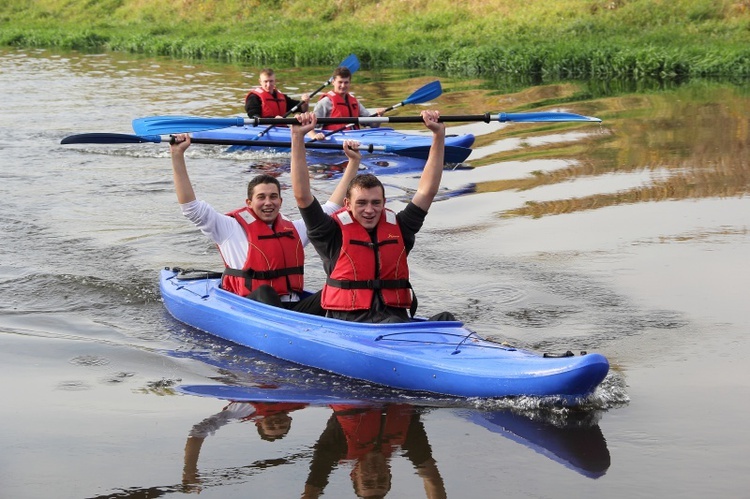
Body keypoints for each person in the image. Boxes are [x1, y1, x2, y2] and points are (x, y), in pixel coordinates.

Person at [291, 111, 457, 323]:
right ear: (347, 204)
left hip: (394, 321)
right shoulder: (330, 233)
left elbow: (426, 191)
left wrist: (438, 136)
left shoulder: (399, 228)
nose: (369, 210)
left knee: (447, 319)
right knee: (394, 325)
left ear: (384, 203)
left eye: (375, 203)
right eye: (361, 203)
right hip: (353, 323)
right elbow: (303, 196)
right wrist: (297, 138)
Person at [169, 134, 361, 315]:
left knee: (336, 289)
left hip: (292, 311)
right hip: (250, 309)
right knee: (265, 292)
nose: (268, 202)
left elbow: (330, 208)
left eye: (273, 197)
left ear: (280, 201)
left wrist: (353, 162)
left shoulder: (294, 230)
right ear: (249, 203)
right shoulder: (229, 228)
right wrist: (177, 155)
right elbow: (191, 209)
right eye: (261, 197)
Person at [301, 404, 446, 499]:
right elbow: (432, 479)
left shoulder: (339, 446)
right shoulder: (406, 440)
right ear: (389, 473)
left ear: (354, 474)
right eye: (382, 480)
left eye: (368, 482)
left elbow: (313, 489)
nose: (376, 475)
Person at [307, 66, 387, 141]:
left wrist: (379, 116)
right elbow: (308, 126)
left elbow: (373, 125)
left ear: (350, 83)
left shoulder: (355, 102)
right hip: (334, 140)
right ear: (333, 82)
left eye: (346, 82)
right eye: (340, 82)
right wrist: (314, 135)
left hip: (355, 139)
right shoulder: (325, 102)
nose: (343, 85)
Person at [245, 68, 309, 118]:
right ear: (260, 82)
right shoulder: (254, 97)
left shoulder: (282, 97)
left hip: (281, 129)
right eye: (265, 81)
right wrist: (273, 120)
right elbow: (254, 116)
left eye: (271, 81)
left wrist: (305, 102)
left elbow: (303, 109)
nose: (269, 84)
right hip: (264, 128)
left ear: (275, 81)